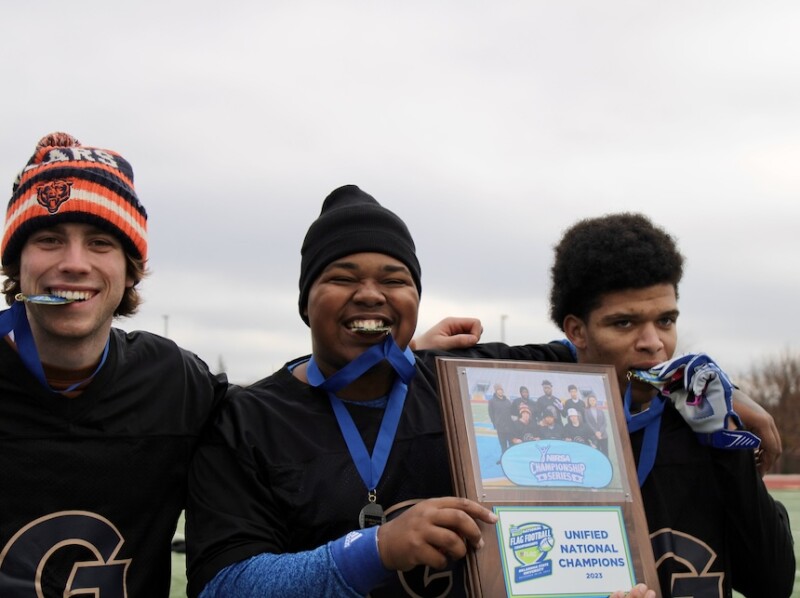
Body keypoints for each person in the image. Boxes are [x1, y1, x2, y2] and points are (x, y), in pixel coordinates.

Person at [185, 185, 652, 598]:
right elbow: (222, 584)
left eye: (394, 280)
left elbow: (602, 349)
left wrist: (689, 376)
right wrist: (374, 550)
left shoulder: (468, 378)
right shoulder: (246, 419)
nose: (370, 294)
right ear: (306, 302)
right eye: (342, 278)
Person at [0, 133, 227, 596]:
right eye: (48, 238)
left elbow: (292, 421)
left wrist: (415, 358)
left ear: (129, 272)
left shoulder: (175, 383)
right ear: (16, 264)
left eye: (101, 242)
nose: (74, 263)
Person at [550, 212, 795, 597]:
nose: (654, 343)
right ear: (577, 331)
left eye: (665, 320)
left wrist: (727, 442)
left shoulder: (705, 420)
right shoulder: (545, 429)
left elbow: (772, 583)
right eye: (624, 324)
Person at [487, 382, 515, 453]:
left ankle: (511, 459)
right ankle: (503, 459)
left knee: (512, 444)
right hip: (501, 428)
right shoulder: (492, 401)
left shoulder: (507, 401)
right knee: (503, 445)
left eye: (501, 389)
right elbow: (491, 414)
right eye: (498, 390)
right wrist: (495, 424)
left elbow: (512, 412)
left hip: (510, 427)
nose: (500, 391)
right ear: (496, 391)